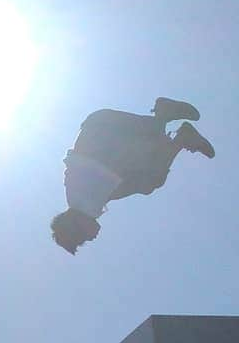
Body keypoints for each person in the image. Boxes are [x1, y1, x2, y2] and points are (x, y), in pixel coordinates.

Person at [52, 97, 215, 255]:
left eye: (84, 239)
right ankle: (174, 130)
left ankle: (168, 122)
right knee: (149, 180)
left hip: (107, 130)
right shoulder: (89, 198)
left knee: (149, 179)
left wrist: (157, 147)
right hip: (105, 126)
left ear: (77, 226)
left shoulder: (87, 198)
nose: (92, 238)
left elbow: (125, 171)